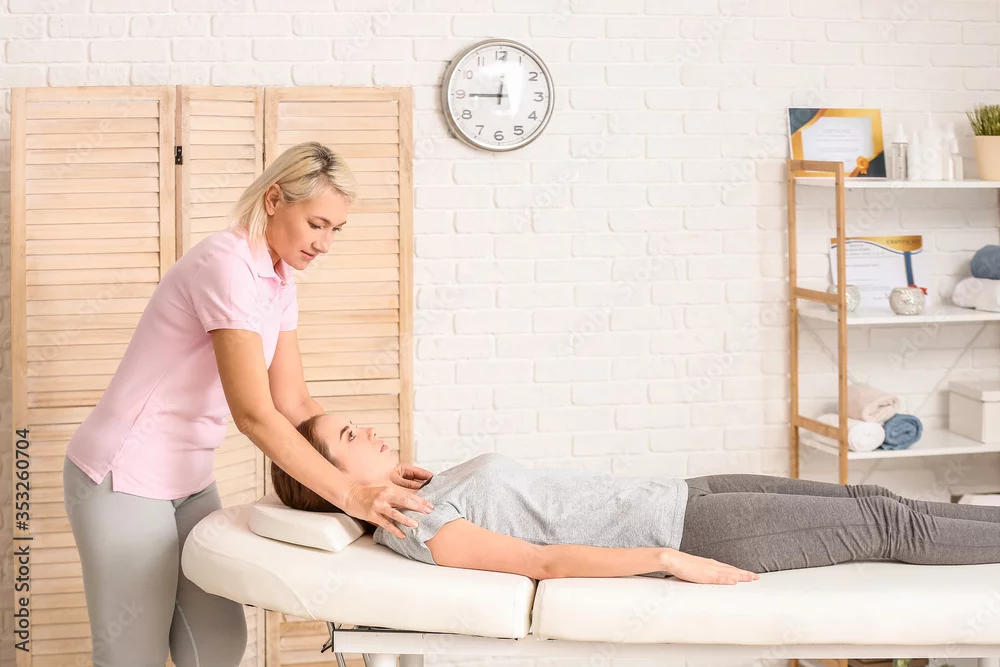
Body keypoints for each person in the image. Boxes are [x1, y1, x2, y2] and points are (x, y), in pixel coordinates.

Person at [62, 142, 434, 667]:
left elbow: (293, 401)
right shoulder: (227, 265)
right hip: (122, 475)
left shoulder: (279, 279)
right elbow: (255, 414)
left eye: (336, 229)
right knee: (132, 654)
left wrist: (376, 476)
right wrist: (352, 494)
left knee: (217, 645)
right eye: (317, 224)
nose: (325, 243)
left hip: (190, 478)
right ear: (274, 199)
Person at [273, 412, 1000, 586]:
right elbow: (540, 561)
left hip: (685, 490)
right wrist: (667, 559)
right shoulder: (416, 523)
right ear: (326, 476)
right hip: (691, 528)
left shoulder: (418, 490)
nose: (368, 429)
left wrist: (425, 477)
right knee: (884, 522)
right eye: (349, 435)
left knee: (870, 494)